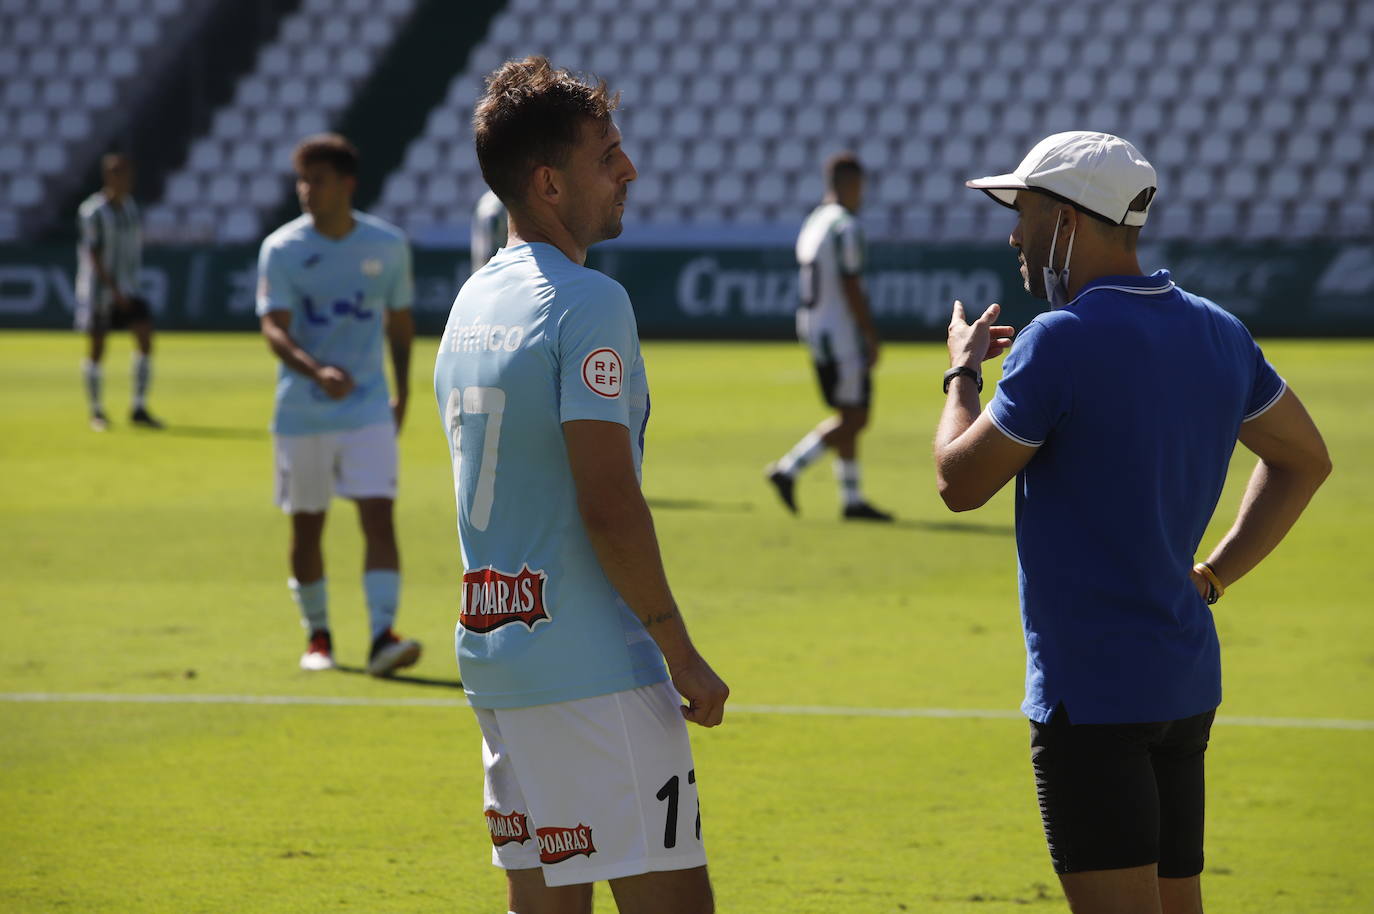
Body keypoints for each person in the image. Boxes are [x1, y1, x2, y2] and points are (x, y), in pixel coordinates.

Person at [934, 131, 1331, 914]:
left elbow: (958, 482)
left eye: (1027, 210)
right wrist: (1213, 573)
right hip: (1183, 682)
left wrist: (961, 374)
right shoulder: (1219, 330)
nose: (1015, 232)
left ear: (1071, 220)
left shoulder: (1060, 340)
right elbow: (1304, 461)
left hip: (1091, 697)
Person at [434, 57, 728, 914]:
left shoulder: (472, 300)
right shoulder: (587, 301)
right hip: (592, 666)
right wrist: (679, 649)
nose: (629, 169)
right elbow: (608, 503)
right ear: (550, 183)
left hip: (498, 658)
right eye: (609, 155)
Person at [256, 133, 421, 677]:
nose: (306, 191)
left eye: (317, 180)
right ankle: (318, 636)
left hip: (369, 406)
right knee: (307, 526)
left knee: (379, 515)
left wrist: (404, 392)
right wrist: (314, 371)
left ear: (347, 184)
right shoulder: (281, 249)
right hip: (301, 412)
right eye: (302, 180)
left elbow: (400, 324)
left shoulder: (387, 244)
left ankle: (381, 637)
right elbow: (272, 328)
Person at [766, 153, 891, 521]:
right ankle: (788, 468)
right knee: (856, 417)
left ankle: (851, 499)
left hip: (814, 328)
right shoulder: (845, 226)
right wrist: (869, 333)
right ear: (853, 184)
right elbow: (851, 283)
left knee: (847, 411)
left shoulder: (814, 222)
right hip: (841, 333)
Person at [75, 152, 162, 431]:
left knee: (145, 339)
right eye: (119, 174)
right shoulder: (93, 212)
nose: (124, 180)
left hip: (130, 287)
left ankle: (138, 407)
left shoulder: (130, 208)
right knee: (98, 348)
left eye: (127, 174)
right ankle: (96, 411)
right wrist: (113, 290)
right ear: (108, 177)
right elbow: (94, 255)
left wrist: (127, 286)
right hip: (101, 292)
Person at [471, 186, 508, 274]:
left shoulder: (487, 200)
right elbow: (488, 252)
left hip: (483, 272)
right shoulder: (497, 204)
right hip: (495, 271)